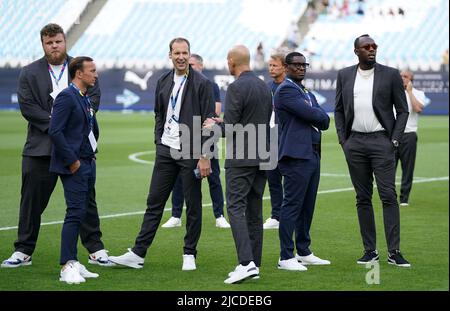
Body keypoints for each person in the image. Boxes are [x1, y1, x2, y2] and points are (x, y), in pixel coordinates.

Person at [1, 23, 113, 269]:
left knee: (85, 200)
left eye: (58, 41)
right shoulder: (29, 72)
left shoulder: (81, 67)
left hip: (77, 148)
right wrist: (57, 124)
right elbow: (27, 107)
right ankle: (23, 250)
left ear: (65, 42)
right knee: (31, 202)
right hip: (40, 149)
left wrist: (68, 124)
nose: (54, 46)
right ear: (43, 45)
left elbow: (94, 98)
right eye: (49, 43)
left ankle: (95, 248)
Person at [109, 38, 215, 271]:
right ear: (170, 55)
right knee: (154, 202)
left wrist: (205, 155)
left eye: (184, 52)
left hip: (190, 150)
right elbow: (159, 114)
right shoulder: (163, 80)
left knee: (193, 204)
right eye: (176, 52)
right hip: (166, 150)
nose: (181, 57)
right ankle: (138, 253)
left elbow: (210, 121)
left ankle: (189, 253)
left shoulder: (202, 83)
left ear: (190, 54)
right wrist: (159, 141)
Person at [334, 34, 411, 267]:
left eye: (374, 46)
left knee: (388, 196)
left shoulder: (390, 74)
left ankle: (394, 251)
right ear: (356, 50)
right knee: (362, 198)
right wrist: (343, 140)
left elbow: (403, 110)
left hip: (382, 142)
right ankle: (370, 251)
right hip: (354, 143)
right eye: (366, 47)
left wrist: (394, 140)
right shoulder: (344, 75)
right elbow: (338, 109)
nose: (371, 49)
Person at [204, 45, 272, 283]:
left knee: (234, 208)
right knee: (255, 210)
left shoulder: (236, 87)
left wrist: (213, 126)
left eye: (227, 60)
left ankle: (246, 263)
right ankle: (254, 262)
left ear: (232, 61)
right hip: (263, 155)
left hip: (242, 157)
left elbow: (231, 126)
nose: (227, 64)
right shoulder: (264, 86)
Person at [274, 52, 331, 271]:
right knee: (292, 206)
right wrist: (317, 115)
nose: (300, 68)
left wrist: (317, 115)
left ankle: (304, 251)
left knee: (307, 207)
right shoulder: (287, 89)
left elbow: (323, 120)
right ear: (286, 67)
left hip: (311, 154)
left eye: (303, 65)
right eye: (296, 65)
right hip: (296, 156)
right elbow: (316, 115)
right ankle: (286, 256)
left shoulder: (304, 91)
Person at [48, 56, 101, 284]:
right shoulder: (66, 97)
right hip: (75, 165)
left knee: (84, 212)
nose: (95, 74)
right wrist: (72, 161)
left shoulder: (84, 97)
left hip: (88, 161)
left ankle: (75, 261)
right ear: (79, 73)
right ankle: (66, 264)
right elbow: (55, 131)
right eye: (92, 70)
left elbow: (88, 128)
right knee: (75, 212)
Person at [162, 53, 230, 229]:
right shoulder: (180, 85)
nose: (189, 67)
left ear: (201, 66)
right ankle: (176, 215)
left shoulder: (209, 85)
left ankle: (219, 215)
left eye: (192, 64)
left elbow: (214, 112)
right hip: (184, 137)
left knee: (213, 176)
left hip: (206, 136)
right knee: (179, 178)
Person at [396, 70, 428, 206]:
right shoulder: (393, 92)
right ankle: (389, 196)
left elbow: (418, 109)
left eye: (405, 76)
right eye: (401, 76)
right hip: (393, 134)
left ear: (411, 79)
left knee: (407, 168)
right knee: (388, 167)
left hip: (409, 135)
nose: (402, 78)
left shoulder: (418, 93)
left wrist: (409, 92)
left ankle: (404, 198)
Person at [263, 53, 286, 230]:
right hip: (269, 138)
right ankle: (276, 215)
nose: (271, 68)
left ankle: (289, 214)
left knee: (291, 179)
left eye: (275, 65)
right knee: (273, 179)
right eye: (270, 65)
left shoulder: (289, 87)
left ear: (285, 67)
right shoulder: (266, 87)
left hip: (286, 138)